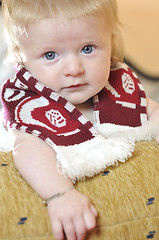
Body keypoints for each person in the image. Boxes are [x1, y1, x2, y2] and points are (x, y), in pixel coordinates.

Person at [1, 0, 159, 240]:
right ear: (21, 60)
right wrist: (60, 195)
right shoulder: (30, 109)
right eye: (50, 55)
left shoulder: (119, 88)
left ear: (112, 42)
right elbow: (27, 148)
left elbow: (151, 110)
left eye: (88, 48)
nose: (74, 68)